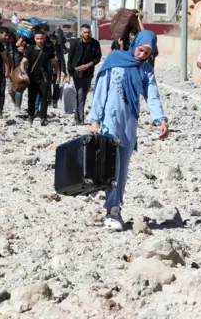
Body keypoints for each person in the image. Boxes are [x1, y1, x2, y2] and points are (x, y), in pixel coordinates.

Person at [89, 30, 168, 231]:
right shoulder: (115, 60)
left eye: (146, 53)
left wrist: (161, 119)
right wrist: (95, 119)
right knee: (111, 164)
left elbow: (152, 96)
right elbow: (101, 90)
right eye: (140, 50)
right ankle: (111, 209)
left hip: (129, 123)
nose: (141, 55)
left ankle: (115, 207)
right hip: (110, 120)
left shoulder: (146, 70)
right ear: (135, 44)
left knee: (122, 169)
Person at [20, 30, 61, 126]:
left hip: (44, 77)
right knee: (31, 97)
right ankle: (30, 115)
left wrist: (58, 76)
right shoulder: (30, 49)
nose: (40, 40)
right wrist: (23, 72)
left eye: (41, 38)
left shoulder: (48, 50)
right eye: (37, 39)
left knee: (44, 98)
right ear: (34, 39)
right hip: (32, 77)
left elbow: (55, 64)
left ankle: (43, 117)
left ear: (44, 39)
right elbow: (23, 63)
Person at [67, 24, 102, 125]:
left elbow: (98, 58)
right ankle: (81, 118)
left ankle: (77, 116)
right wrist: (69, 73)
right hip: (76, 72)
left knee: (83, 94)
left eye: (88, 32)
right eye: (85, 32)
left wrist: (87, 65)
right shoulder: (75, 43)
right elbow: (70, 59)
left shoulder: (95, 43)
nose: (87, 34)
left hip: (88, 72)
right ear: (81, 32)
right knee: (80, 92)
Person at [49, 33, 67, 108]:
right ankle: (48, 100)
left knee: (56, 85)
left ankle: (55, 100)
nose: (53, 42)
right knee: (47, 86)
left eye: (54, 41)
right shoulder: (46, 47)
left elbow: (62, 59)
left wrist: (64, 70)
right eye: (51, 41)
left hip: (57, 69)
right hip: (48, 69)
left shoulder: (58, 48)